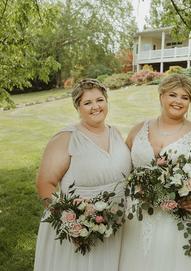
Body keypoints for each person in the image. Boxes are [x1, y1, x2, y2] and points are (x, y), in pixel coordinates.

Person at [119, 74, 191, 271]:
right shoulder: (138, 130)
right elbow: (121, 170)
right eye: (173, 95)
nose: (178, 101)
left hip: (179, 217)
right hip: (139, 214)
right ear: (161, 95)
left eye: (185, 97)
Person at [34, 79, 132, 270]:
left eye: (100, 100)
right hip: (80, 227)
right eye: (87, 103)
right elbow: (44, 185)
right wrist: (71, 221)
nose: (96, 107)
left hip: (116, 224)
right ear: (78, 107)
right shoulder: (66, 138)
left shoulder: (116, 133)